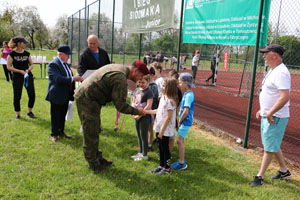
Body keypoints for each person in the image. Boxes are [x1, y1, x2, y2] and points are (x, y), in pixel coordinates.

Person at [74, 60, 149, 172]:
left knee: (95, 128)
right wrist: (138, 111)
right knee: (90, 130)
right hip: (86, 98)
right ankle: (93, 164)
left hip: (91, 98)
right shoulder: (120, 78)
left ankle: (97, 157)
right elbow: (121, 106)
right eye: (141, 75)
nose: (140, 79)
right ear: (135, 71)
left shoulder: (120, 69)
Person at [250, 44, 292, 187]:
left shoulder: (281, 72)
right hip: (270, 114)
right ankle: (284, 170)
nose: (263, 56)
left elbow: (284, 97)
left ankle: (259, 177)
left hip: (276, 117)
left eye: (266, 53)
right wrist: (263, 109)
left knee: (268, 148)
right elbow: (270, 94)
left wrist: (270, 112)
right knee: (272, 143)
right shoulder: (273, 70)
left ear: (274, 55)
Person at [46, 45, 83, 142]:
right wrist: (73, 78)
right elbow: (57, 79)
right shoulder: (53, 64)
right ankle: (54, 134)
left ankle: (61, 131)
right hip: (56, 94)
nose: (69, 57)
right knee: (55, 115)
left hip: (66, 94)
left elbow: (68, 77)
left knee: (63, 115)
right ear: (60, 54)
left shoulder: (65, 64)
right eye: (67, 55)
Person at [146, 78, 178, 175]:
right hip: (159, 127)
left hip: (165, 130)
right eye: (162, 85)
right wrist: (146, 111)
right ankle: (161, 165)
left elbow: (168, 118)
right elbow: (158, 111)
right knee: (160, 147)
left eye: (164, 86)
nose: (162, 87)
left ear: (170, 88)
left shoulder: (170, 102)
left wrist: (162, 131)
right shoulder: (162, 97)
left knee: (165, 148)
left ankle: (167, 168)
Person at [6, 36, 36, 120]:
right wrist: (20, 71)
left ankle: (29, 112)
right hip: (17, 77)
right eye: (24, 43)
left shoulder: (27, 53)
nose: (26, 44)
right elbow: (8, 67)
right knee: (17, 95)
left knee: (32, 94)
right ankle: (18, 114)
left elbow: (32, 64)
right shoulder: (11, 54)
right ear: (19, 43)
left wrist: (28, 70)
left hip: (27, 76)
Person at [171, 72, 195, 171]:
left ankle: (182, 163)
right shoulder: (187, 94)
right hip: (184, 120)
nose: (179, 84)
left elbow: (186, 110)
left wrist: (179, 121)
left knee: (179, 140)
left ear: (185, 83)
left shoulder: (189, 95)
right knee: (181, 140)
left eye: (180, 82)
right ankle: (181, 160)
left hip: (185, 121)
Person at [131, 75, 153, 161]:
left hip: (144, 116)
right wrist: (134, 113)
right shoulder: (136, 90)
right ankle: (140, 153)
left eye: (143, 82)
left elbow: (148, 106)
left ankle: (145, 155)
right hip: (136, 116)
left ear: (147, 81)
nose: (141, 84)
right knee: (138, 135)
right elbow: (133, 101)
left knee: (144, 135)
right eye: (139, 82)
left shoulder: (149, 91)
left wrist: (139, 115)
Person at [168, 70, 183, 153]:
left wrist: (177, 116)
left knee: (170, 135)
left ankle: (169, 152)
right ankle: (164, 150)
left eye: (174, 79)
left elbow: (178, 104)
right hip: (165, 114)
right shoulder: (167, 89)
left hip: (173, 115)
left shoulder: (178, 92)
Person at [147, 67, 159, 151]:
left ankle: (149, 145)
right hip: (146, 109)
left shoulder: (153, 86)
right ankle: (145, 144)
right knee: (145, 128)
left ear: (152, 75)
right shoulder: (147, 84)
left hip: (151, 110)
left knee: (149, 128)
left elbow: (154, 98)